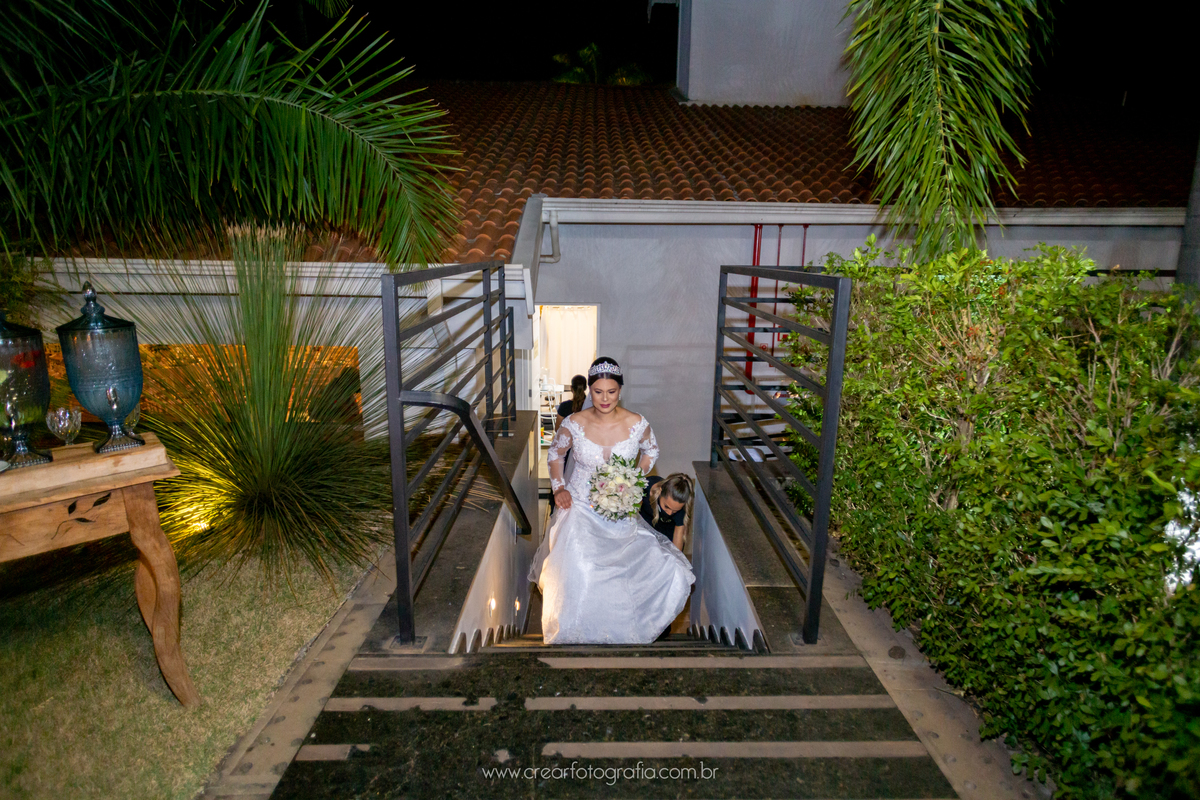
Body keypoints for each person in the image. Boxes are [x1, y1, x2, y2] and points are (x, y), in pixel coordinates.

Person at [528, 356, 694, 644]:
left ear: (620, 390)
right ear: (589, 390)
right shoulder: (574, 423)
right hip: (580, 505)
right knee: (582, 566)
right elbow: (555, 454)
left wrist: (633, 479)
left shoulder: (637, 423)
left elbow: (651, 451)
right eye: (598, 392)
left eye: (611, 392)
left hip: (620, 510)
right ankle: (575, 632)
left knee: (626, 571)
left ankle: (617, 630)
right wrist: (558, 488)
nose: (605, 399)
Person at [639, 473, 695, 554]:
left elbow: (677, 551)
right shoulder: (647, 486)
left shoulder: (681, 511)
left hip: (667, 537)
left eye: (675, 511)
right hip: (643, 528)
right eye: (666, 507)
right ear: (660, 491)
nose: (669, 513)